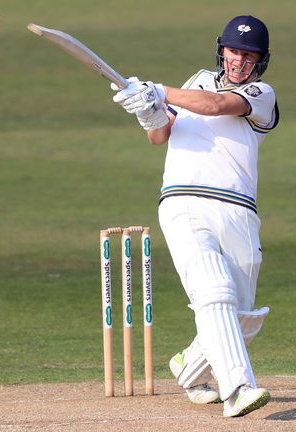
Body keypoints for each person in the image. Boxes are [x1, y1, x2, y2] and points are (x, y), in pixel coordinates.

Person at [111, 15, 279, 417]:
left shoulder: (261, 93)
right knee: (214, 289)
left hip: (239, 210)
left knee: (241, 318)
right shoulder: (195, 81)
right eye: (234, 51)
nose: (239, 61)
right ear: (221, 49)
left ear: (261, 61)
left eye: (248, 55)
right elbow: (159, 135)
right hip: (183, 201)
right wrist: (149, 112)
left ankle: (190, 366)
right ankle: (238, 388)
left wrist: (159, 90)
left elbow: (218, 105)